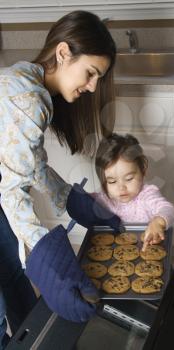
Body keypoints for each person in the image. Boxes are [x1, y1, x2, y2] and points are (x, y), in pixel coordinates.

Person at [0, 10, 119, 348]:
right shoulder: (27, 100)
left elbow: (30, 166)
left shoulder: (29, 79)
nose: (93, 86)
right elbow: (12, 192)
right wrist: (50, 266)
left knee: (11, 270)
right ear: (64, 53)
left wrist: (71, 199)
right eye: (91, 73)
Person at [93, 133, 174, 251]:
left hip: (147, 252)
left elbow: (169, 209)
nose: (121, 188)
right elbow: (84, 203)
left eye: (129, 179)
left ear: (142, 171)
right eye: (112, 181)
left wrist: (158, 222)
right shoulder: (103, 199)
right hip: (116, 257)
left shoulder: (147, 195)